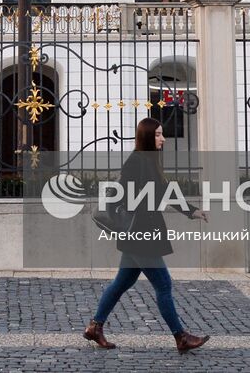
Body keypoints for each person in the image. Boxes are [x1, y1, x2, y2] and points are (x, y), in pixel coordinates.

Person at [83, 116, 210, 353]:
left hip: (140, 233)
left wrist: (192, 211)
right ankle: (180, 337)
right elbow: (125, 196)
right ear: (147, 137)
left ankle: (95, 327)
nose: (163, 138)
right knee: (163, 285)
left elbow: (165, 192)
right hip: (140, 234)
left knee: (122, 283)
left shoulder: (148, 161)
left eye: (162, 134)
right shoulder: (136, 162)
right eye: (158, 134)